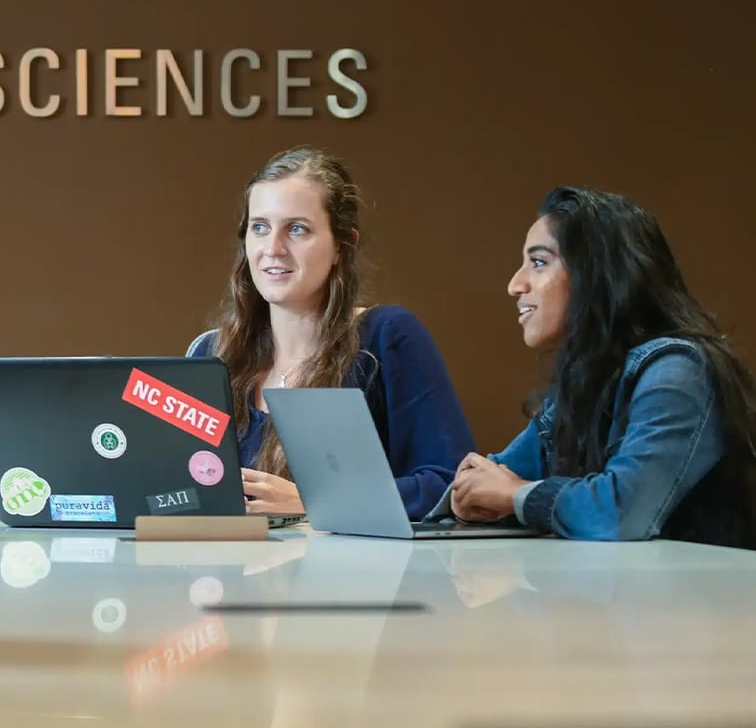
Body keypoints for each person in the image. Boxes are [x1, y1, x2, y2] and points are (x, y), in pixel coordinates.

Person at [448, 187, 756, 547]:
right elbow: (495, 475)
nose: (515, 285)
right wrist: (465, 497)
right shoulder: (583, 379)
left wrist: (514, 496)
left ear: (598, 274)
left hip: (715, 599)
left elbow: (621, 513)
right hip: (631, 596)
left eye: (538, 262)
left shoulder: (679, 370)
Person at [187, 147, 475, 520]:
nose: (273, 249)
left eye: (297, 229)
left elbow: (451, 484)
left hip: (356, 577)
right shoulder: (211, 354)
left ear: (342, 245)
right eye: (260, 227)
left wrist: (315, 502)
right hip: (226, 575)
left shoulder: (386, 337)